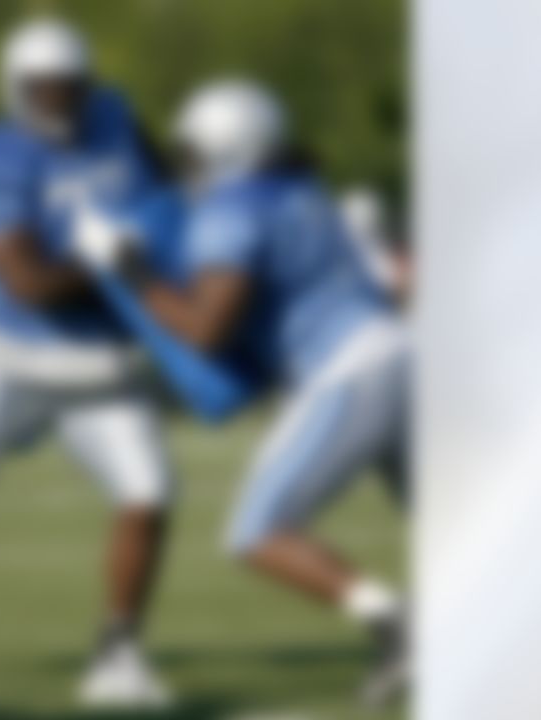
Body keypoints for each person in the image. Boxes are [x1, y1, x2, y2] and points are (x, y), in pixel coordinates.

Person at [71, 79, 410, 705]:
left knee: (257, 531)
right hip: (400, 353)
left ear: (230, 149)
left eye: (196, 152)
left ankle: (396, 624)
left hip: (349, 370)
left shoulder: (233, 210)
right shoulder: (300, 189)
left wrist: (130, 268)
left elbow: (204, 330)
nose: (188, 165)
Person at [0, 18, 173, 707]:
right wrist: (104, 258)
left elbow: (162, 184)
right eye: (41, 87)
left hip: (100, 361)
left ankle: (116, 657)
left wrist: (165, 224)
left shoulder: (113, 114)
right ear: (13, 87)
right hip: (5, 354)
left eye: (68, 86)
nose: (56, 99)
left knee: (148, 495)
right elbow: (26, 282)